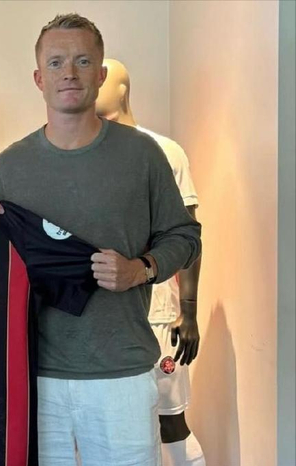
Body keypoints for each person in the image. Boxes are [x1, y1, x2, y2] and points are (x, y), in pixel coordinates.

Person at [0, 13, 202, 466]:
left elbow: (185, 235)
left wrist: (141, 269)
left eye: (83, 61)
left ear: (101, 74)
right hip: (34, 375)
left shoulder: (142, 154)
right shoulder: (9, 167)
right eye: (57, 62)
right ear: (39, 78)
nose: (69, 72)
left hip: (122, 374)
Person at [97, 58, 206, 466]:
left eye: (102, 79)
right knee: (117, 424)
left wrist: (189, 310)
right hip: (108, 313)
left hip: (159, 312)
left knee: (170, 420)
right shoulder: (90, 153)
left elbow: (189, 234)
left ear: (121, 90)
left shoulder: (165, 150)